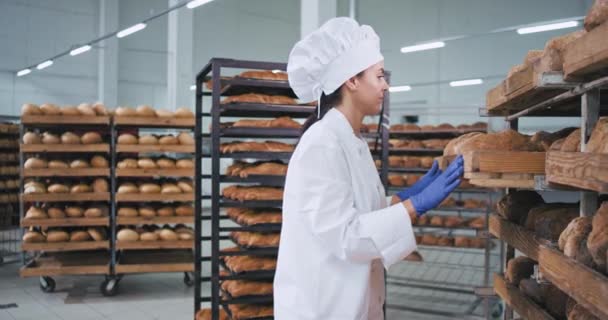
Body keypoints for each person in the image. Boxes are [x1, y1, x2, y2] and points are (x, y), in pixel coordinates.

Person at [273, 17, 464, 319]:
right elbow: (347, 235)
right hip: (323, 307)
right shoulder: (322, 144)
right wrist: (415, 205)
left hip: (352, 303)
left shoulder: (352, 141)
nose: (386, 85)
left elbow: (362, 213)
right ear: (351, 80)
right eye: (379, 76)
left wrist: (404, 197)